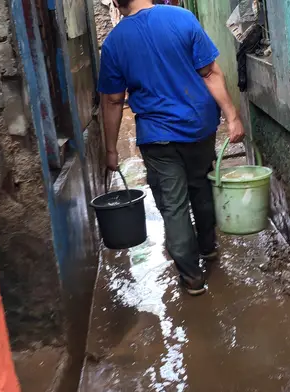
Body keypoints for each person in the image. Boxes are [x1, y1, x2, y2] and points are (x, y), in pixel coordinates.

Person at [98, 0, 245, 296]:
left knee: (173, 205)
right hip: (198, 125)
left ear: (115, 2)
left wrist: (111, 149)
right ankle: (208, 248)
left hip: (157, 137)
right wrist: (232, 116)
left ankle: (192, 278)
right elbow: (210, 73)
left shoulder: (114, 43)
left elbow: (113, 101)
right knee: (201, 186)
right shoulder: (182, 18)